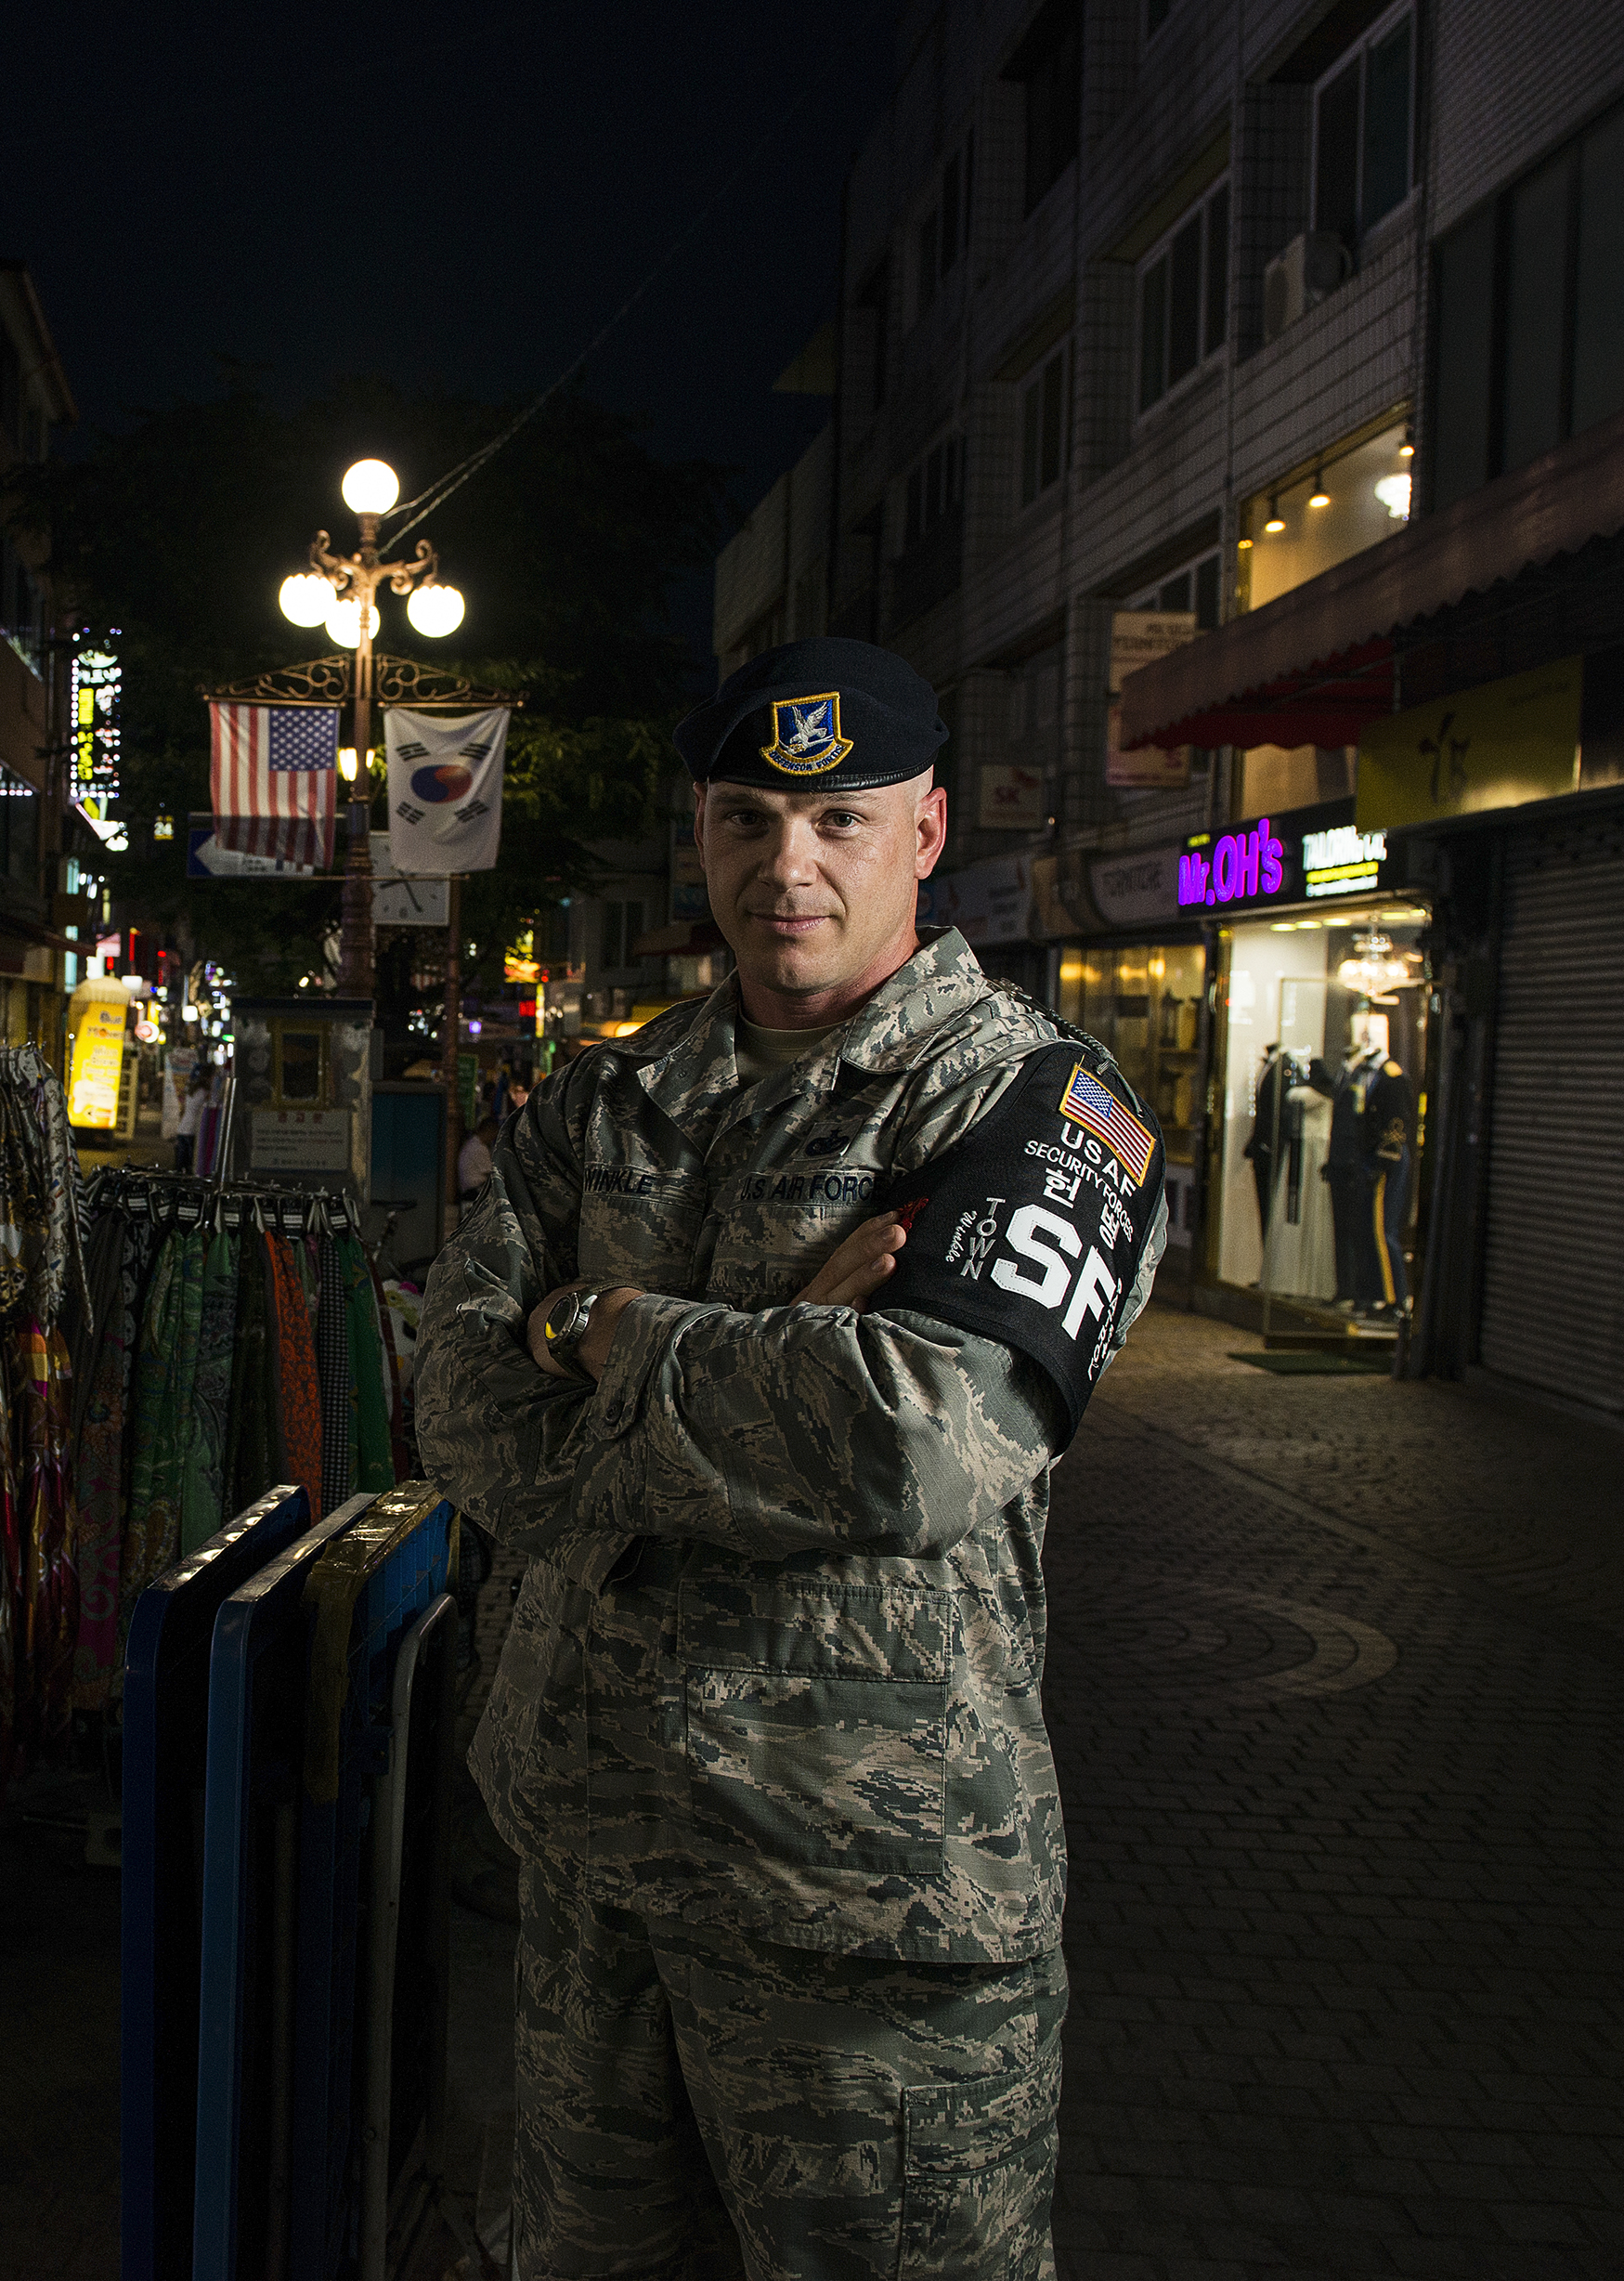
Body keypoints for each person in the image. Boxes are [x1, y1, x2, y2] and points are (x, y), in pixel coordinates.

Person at [416, 636, 1167, 2280]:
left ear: (928, 829)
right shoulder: (609, 1097)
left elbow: (915, 1449)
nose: (787, 868)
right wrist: (755, 1349)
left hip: (870, 1919)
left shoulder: (1036, 1109)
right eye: (747, 819)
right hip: (596, 1870)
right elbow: (461, 1410)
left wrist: (602, 1325)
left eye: (839, 819)